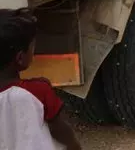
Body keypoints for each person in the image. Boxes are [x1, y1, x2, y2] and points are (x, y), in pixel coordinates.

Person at [0, 9, 81, 150]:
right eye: (32, 47)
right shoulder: (37, 91)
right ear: (20, 58)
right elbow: (59, 129)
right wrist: (74, 146)